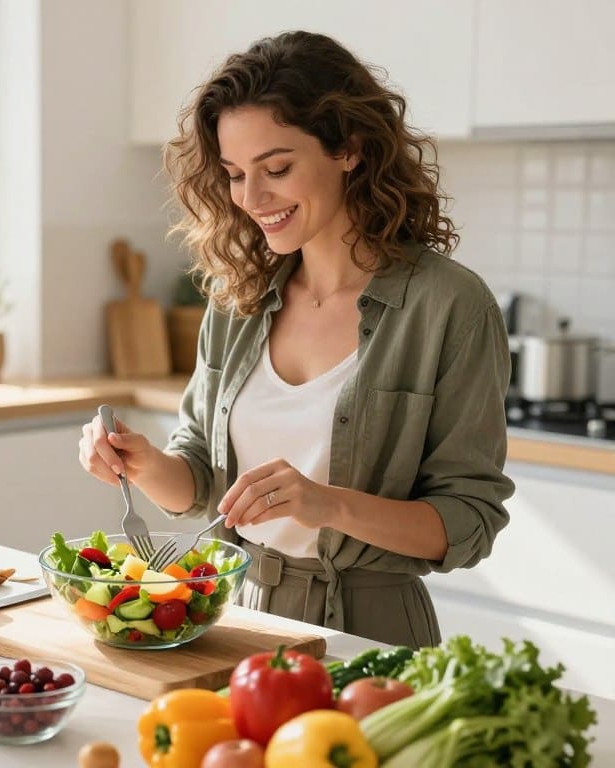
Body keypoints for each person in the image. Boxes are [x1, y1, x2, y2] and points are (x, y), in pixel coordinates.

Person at [78, 31, 514, 647]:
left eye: (277, 168)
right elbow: (201, 480)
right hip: (242, 618)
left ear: (350, 150)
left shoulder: (449, 305)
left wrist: (328, 504)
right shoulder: (239, 298)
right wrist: (145, 463)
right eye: (234, 174)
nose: (252, 199)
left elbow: (468, 523)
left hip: (373, 634)